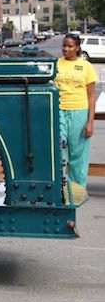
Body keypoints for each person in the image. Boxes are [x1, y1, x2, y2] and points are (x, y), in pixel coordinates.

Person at [55, 33, 98, 189]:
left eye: (70, 46)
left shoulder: (86, 66)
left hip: (79, 112)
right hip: (59, 111)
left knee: (78, 155)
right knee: (60, 152)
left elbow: (92, 96)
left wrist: (90, 122)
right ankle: (62, 189)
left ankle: (77, 190)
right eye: (64, 45)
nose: (65, 49)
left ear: (77, 48)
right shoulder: (56, 64)